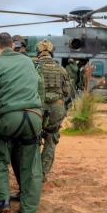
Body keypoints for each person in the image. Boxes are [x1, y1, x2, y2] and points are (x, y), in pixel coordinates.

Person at [0, 32, 44, 213]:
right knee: (31, 166)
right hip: (34, 117)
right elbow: (40, 85)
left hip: (10, 118)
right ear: (12, 45)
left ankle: (2, 200)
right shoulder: (28, 61)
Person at [35, 39, 70, 181]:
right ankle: (42, 174)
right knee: (51, 139)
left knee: (32, 140)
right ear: (52, 52)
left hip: (38, 107)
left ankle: (32, 170)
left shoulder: (34, 67)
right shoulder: (61, 69)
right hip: (56, 108)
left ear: (38, 53)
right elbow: (67, 91)